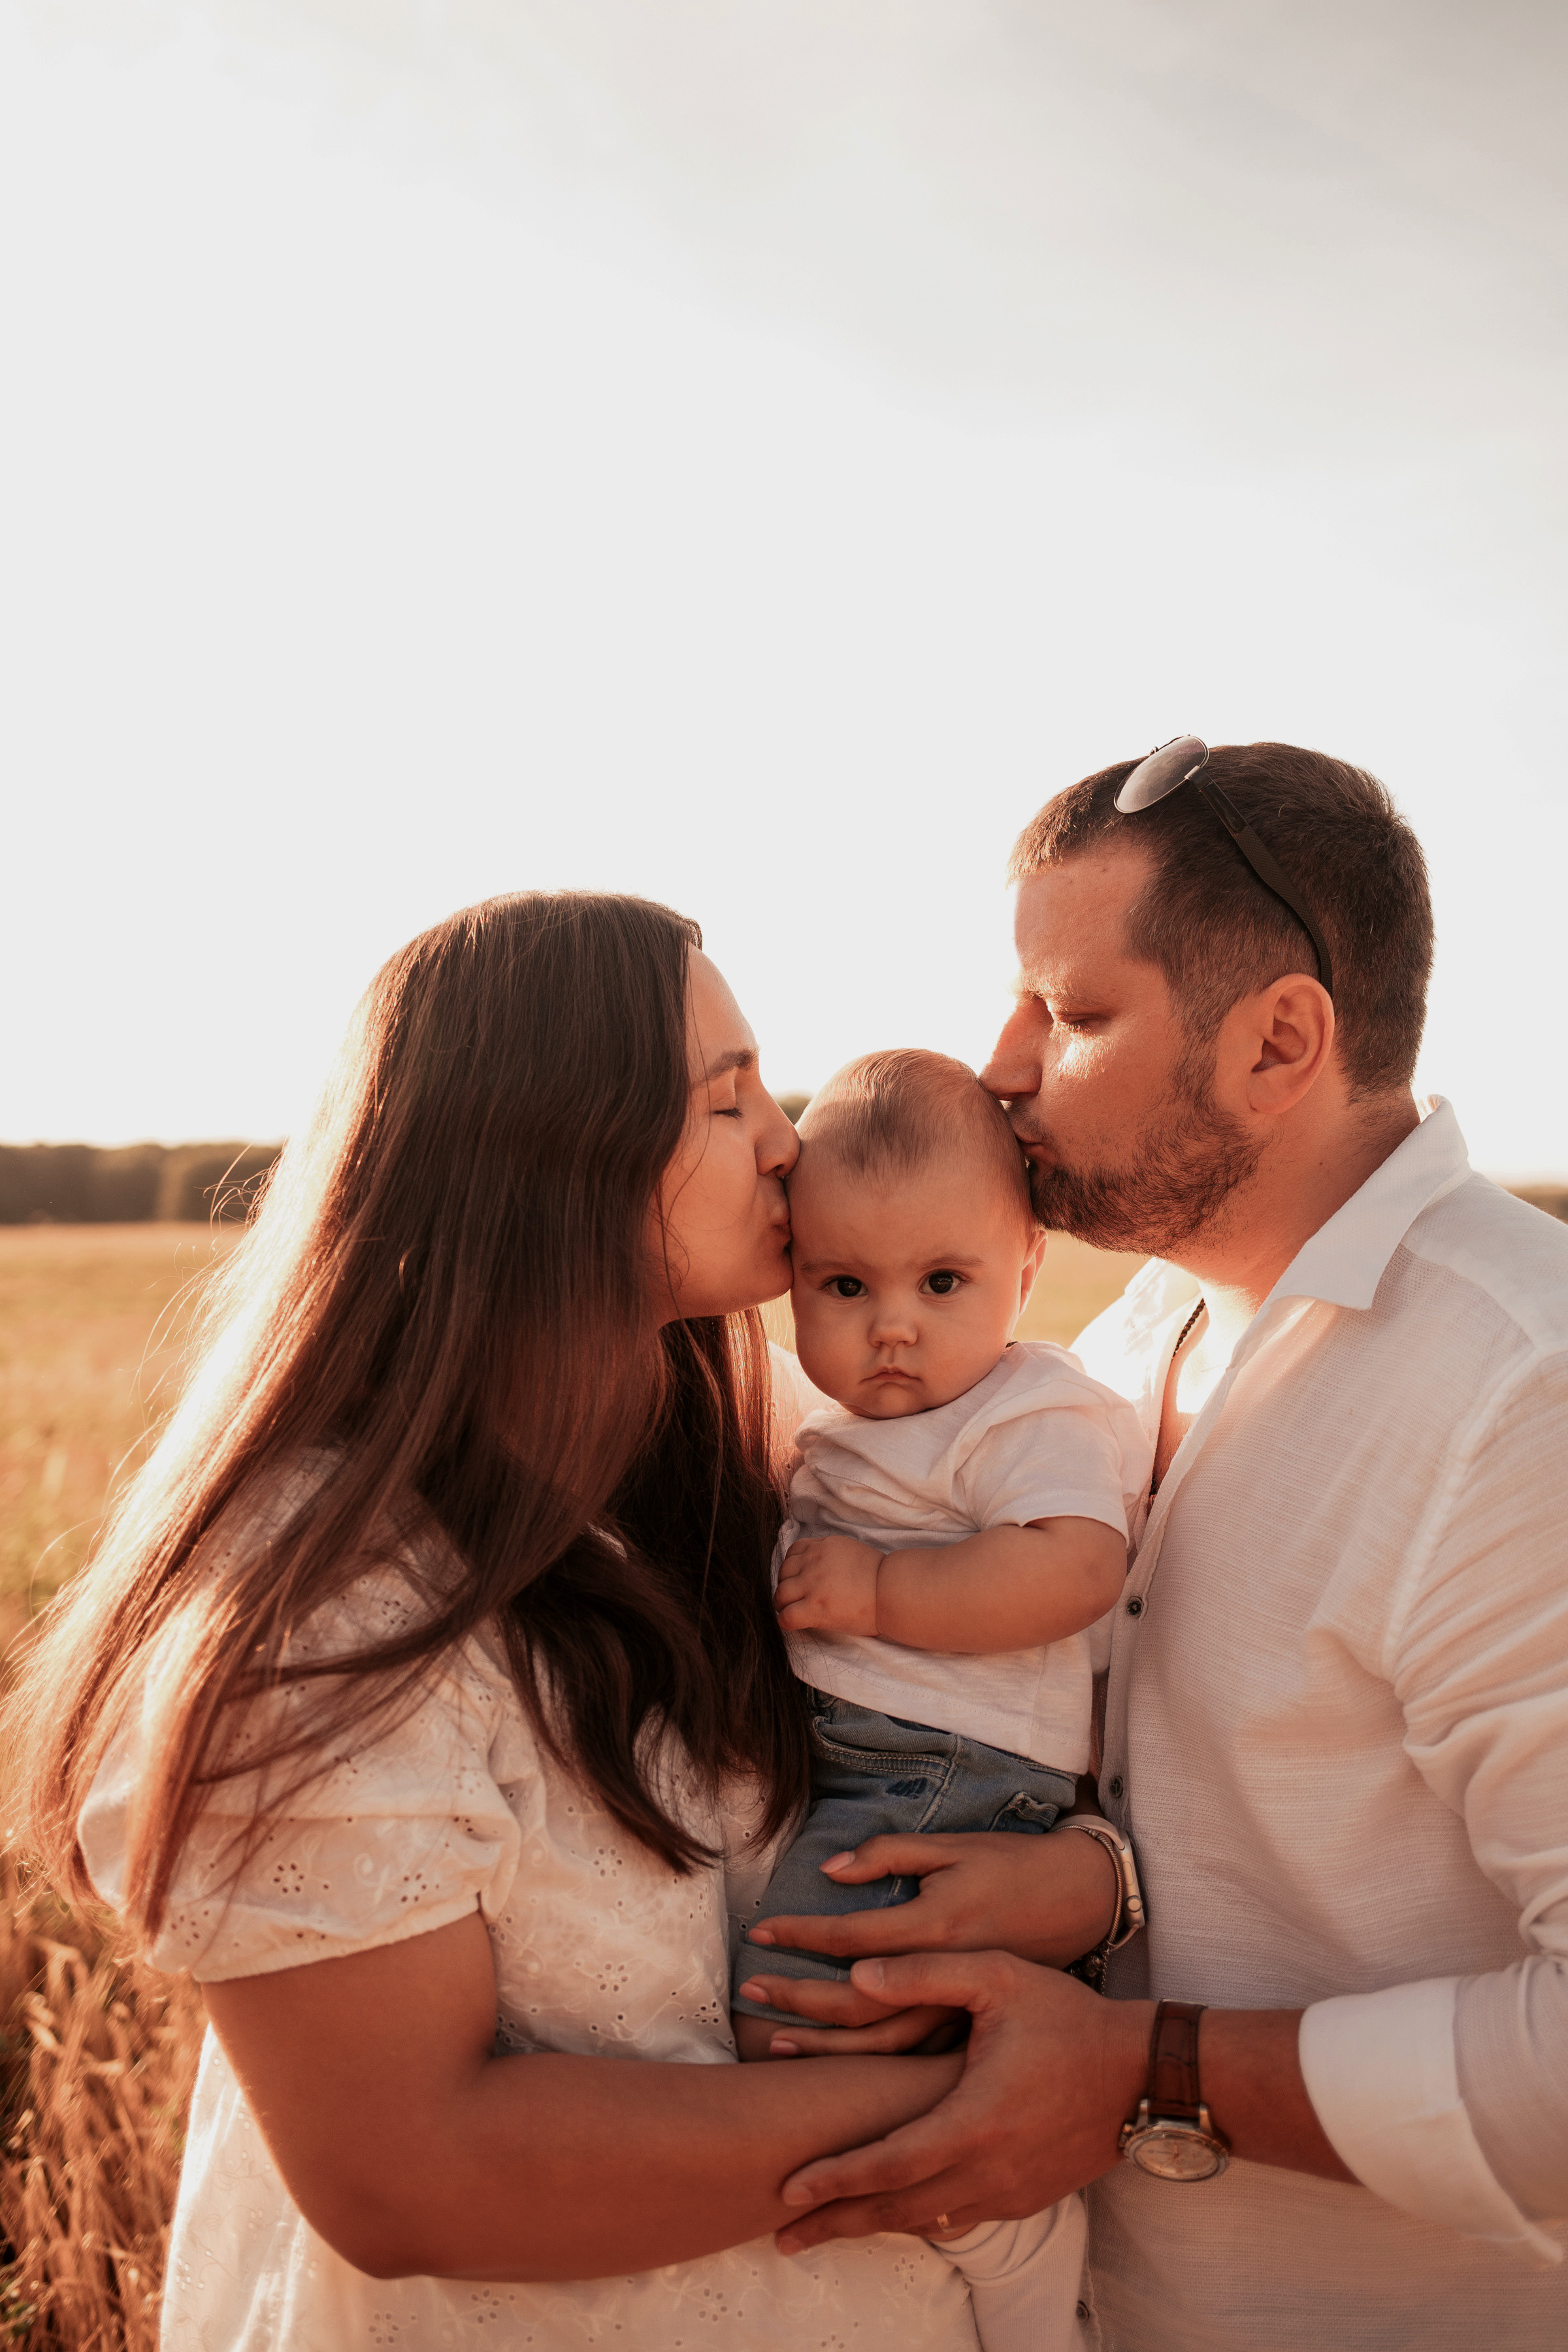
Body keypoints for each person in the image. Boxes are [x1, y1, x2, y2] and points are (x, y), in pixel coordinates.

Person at [7, 890, 1087, 2352]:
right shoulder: (325, 1602)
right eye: (729, 1101)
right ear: (553, 1155)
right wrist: (999, 2101)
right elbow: (412, 2174)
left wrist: (1091, 1882)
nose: (787, 1143)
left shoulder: (757, 1449)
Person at [741, 742, 1568, 2349]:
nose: (999, 1065)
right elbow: (1205, 1817)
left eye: (1069, 1013)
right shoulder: (1125, 1342)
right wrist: (1098, 1891)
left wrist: (1144, 2071)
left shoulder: (1519, 1394)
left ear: (1278, 1043)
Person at [728, 1049, 1151, 2351]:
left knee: (790, 2022)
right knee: (822, 2012)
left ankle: (1003, 2236)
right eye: (845, 1286)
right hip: (875, 1753)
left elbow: (1074, 1567)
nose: (892, 1326)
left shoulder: (1026, 1407)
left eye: (942, 1283)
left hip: (945, 1768)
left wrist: (879, 1593)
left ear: (1027, 1267)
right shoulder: (850, 1421)